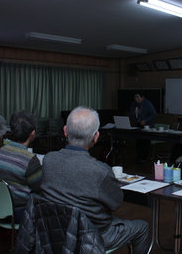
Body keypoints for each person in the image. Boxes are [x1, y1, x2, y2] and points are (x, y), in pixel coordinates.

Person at [41, 106, 149, 253]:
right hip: (93, 236)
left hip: (55, 230)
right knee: (142, 227)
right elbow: (116, 203)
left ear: (65, 131)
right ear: (96, 136)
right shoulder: (101, 170)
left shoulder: (48, 160)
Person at [0, 110, 42, 223]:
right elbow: (39, 188)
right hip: (18, 213)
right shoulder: (30, 159)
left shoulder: (1, 151)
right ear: (32, 133)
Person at [129, 91, 157, 163]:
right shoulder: (134, 104)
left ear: (142, 97)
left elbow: (154, 114)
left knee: (145, 142)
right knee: (138, 142)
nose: (136, 99)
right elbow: (131, 114)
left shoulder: (147, 103)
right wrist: (134, 113)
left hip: (147, 126)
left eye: (138, 97)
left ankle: (143, 158)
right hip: (138, 125)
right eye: (135, 97)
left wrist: (146, 120)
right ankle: (139, 158)